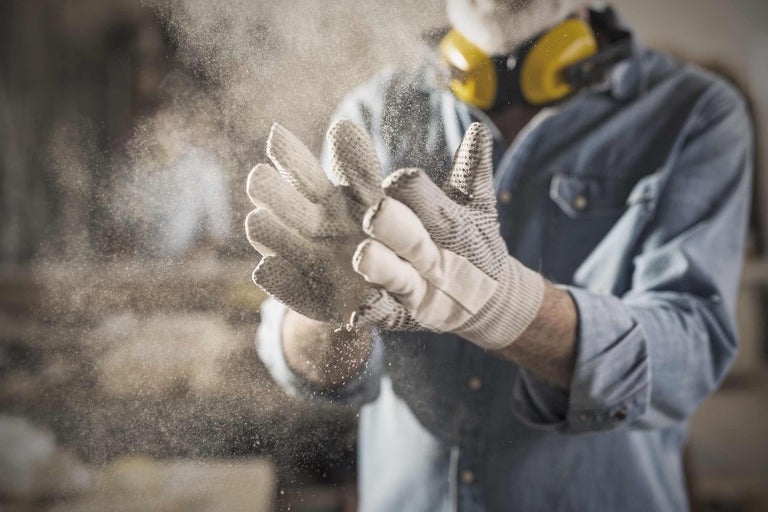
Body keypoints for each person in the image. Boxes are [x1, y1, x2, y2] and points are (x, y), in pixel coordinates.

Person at [248, 1, 754, 510]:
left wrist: (507, 307)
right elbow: (311, 368)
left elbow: (688, 362)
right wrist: (329, 314)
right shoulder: (377, 111)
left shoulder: (694, 112)